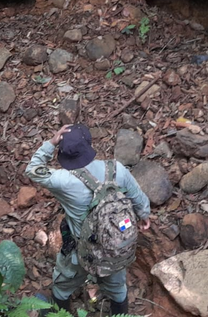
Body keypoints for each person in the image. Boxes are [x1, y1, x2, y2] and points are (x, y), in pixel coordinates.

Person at [26, 124, 151, 315]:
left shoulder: (63, 181)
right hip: (113, 246)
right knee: (118, 289)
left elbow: (33, 169)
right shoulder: (116, 168)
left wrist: (51, 143)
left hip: (80, 252)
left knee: (62, 287)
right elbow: (138, 197)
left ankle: (61, 314)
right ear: (89, 145)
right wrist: (143, 215)